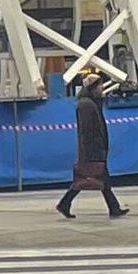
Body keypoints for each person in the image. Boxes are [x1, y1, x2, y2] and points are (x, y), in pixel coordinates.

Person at [55, 76, 128, 220]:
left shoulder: (90, 103)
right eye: (99, 86)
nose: (101, 89)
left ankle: (113, 207)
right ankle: (65, 203)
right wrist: (92, 150)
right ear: (93, 87)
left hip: (95, 148)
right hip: (92, 150)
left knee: (98, 179)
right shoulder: (86, 105)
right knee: (87, 179)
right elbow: (87, 131)